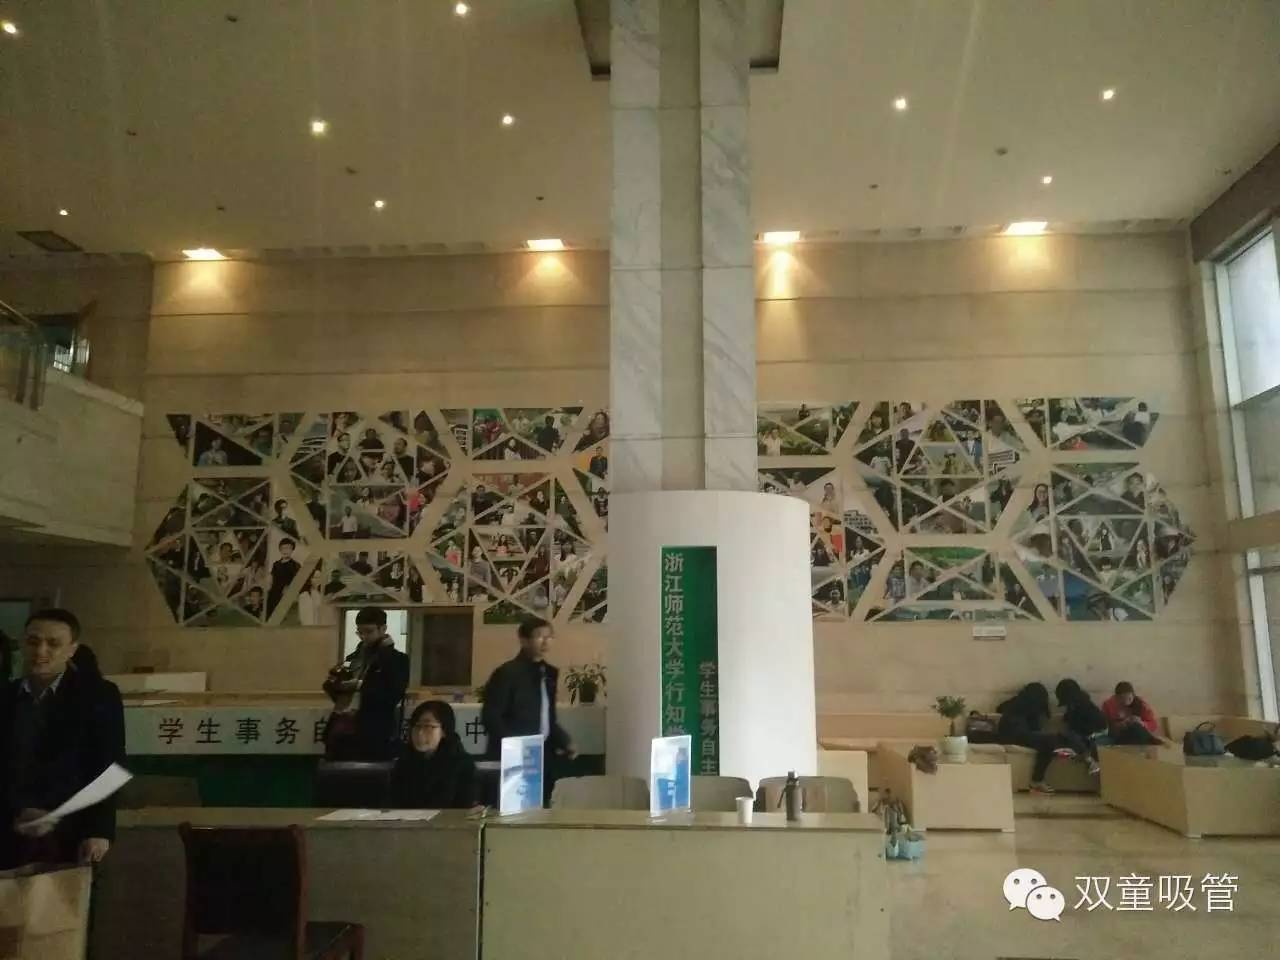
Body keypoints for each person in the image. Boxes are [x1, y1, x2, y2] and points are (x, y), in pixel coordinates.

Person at [0, 609, 125, 867]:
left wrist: (99, 830)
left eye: (53, 643)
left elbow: (110, 765)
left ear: (71, 649)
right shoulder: (6, 696)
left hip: (71, 830)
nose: (41, 651)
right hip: (10, 828)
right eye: (33, 641)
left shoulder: (98, 695)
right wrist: (14, 812)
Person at [481, 618, 576, 763]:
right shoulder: (507, 673)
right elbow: (491, 717)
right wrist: (514, 747)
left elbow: (547, 718)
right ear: (524, 641)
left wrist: (565, 741)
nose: (545, 641)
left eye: (549, 636)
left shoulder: (548, 673)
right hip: (513, 753)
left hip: (544, 752)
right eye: (539, 636)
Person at [322, 607, 409, 761]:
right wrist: (334, 684)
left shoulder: (397, 659)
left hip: (374, 732)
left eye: (369, 631)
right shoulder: (353, 658)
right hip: (341, 727)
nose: (363, 637)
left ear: (383, 629)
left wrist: (360, 686)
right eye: (360, 632)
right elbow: (339, 695)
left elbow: (392, 695)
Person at [996, 682, 1094, 794]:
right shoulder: (1027, 705)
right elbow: (1034, 729)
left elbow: (1000, 708)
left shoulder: (1018, 703)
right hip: (1016, 735)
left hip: (1017, 735)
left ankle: (1080, 751)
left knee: (1055, 740)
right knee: (1050, 741)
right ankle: (1037, 781)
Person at [390, 702, 480, 809]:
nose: (420, 733)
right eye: (416, 726)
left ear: (444, 731)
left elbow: (465, 807)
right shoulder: (404, 762)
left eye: (428, 726)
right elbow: (392, 804)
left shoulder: (463, 764)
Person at [1053, 678, 1107, 770]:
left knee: (1071, 736)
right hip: (1087, 731)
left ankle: (1088, 758)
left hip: (1096, 731)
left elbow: (1086, 726)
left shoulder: (1084, 705)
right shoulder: (1075, 704)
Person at [267, 537, 300, 615]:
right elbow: (271, 578)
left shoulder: (295, 565)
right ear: (280, 550)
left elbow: (297, 582)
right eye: (283, 548)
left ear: (292, 550)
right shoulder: (276, 564)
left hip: (286, 593)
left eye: (288, 548)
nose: (285, 550)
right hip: (273, 592)